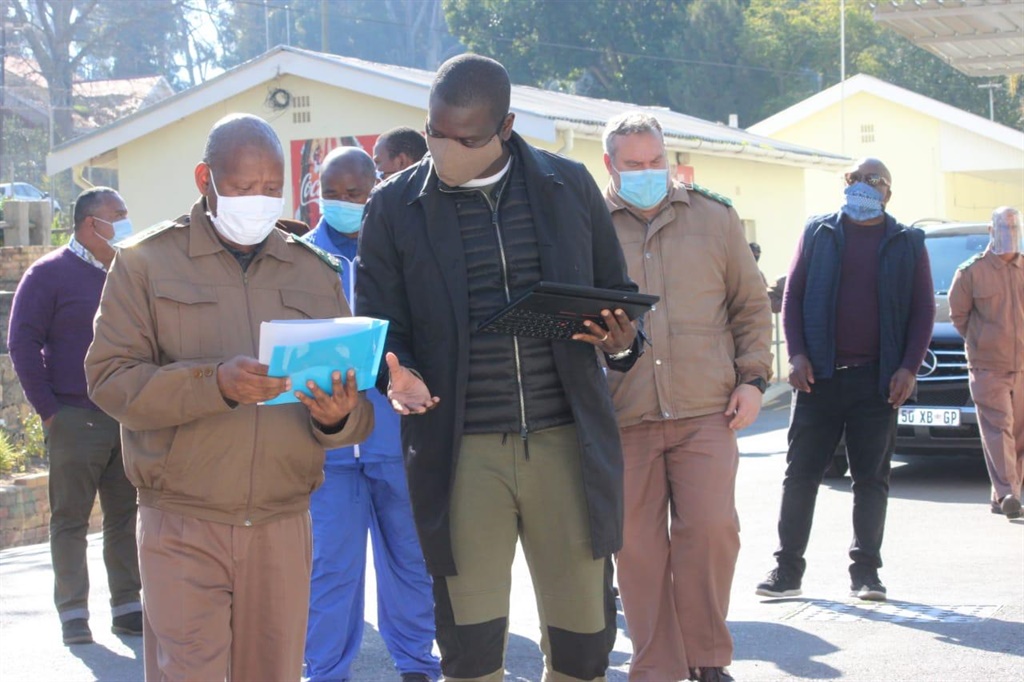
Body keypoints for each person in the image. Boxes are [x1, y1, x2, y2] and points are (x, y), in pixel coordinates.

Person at [356, 54, 643, 682]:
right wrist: (393, 374)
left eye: (467, 138)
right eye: (435, 133)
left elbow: (616, 298)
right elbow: (377, 327)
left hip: (567, 445)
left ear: (506, 126)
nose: (447, 149)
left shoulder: (568, 188)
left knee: (583, 647)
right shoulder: (394, 207)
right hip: (460, 454)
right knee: (471, 651)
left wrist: (620, 341)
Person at [84, 113, 375, 681]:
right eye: (242, 188)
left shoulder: (312, 271)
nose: (258, 202)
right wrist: (214, 383)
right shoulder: (145, 262)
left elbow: (355, 408)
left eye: (271, 189)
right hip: (182, 521)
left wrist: (339, 419)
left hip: (283, 523)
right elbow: (110, 379)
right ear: (205, 179)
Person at [601, 113, 772, 682]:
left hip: (707, 408)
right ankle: (655, 667)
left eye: (656, 162)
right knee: (638, 551)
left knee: (711, 532)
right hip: (624, 414)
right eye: (634, 165)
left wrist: (753, 380)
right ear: (610, 166)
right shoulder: (587, 228)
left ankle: (706, 659)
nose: (649, 173)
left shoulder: (714, 218)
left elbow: (751, 306)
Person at [756, 158, 935, 603]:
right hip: (818, 379)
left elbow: (922, 310)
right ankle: (786, 570)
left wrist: (908, 367)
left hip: (877, 382)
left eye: (872, 181)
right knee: (800, 475)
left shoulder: (907, 242)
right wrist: (795, 354)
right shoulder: (818, 232)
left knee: (871, 480)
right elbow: (793, 296)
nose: (861, 187)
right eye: (853, 180)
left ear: (888, 193)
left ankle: (866, 574)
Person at [302, 146, 440, 682]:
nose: (343, 203)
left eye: (354, 194)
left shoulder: (404, 251)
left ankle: (415, 665)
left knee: (410, 560)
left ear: (375, 189)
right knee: (329, 569)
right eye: (331, 194)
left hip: (398, 441)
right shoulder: (298, 258)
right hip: (328, 446)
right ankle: (327, 670)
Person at [7, 187, 142, 646]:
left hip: (124, 419)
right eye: (117, 216)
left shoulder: (127, 272)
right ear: (90, 224)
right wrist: (49, 411)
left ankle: (128, 608)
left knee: (125, 517)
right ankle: (73, 615)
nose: (125, 224)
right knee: (70, 521)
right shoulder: (47, 275)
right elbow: (22, 343)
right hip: (73, 418)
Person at [949, 206, 1024, 520]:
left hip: (1021, 366)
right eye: (1003, 227)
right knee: (998, 428)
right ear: (991, 232)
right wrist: (982, 344)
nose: (1009, 233)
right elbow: (958, 316)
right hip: (987, 366)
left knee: (1018, 432)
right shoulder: (971, 271)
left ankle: (1003, 494)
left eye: (1014, 227)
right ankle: (1009, 493)